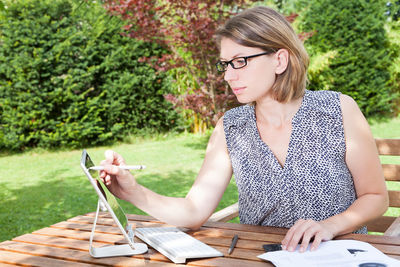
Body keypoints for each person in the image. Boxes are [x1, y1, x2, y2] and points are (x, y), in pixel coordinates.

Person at [99, 6, 388, 253]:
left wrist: (329, 226)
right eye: (225, 64)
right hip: (257, 257)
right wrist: (133, 192)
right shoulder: (230, 127)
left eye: (240, 62)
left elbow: (376, 197)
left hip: (337, 256)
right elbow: (194, 211)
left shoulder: (337, 109)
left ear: (279, 60)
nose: (228, 75)